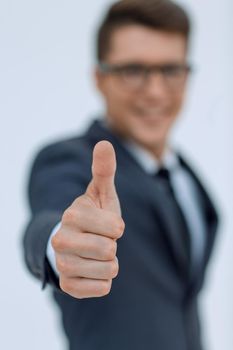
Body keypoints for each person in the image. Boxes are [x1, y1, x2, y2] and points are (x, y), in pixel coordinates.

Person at [23, 0, 219, 349]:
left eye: (171, 70)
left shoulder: (186, 177)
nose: (156, 91)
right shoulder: (69, 161)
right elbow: (49, 221)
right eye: (133, 71)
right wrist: (60, 247)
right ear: (100, 78)